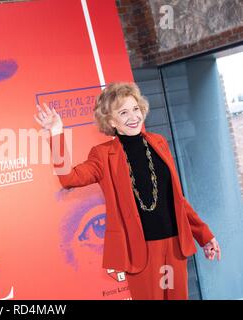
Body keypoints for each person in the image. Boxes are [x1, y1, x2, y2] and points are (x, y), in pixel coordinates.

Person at [34, 82, 221, 300]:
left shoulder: (158, 143)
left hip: (174, 245)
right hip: (140, 251)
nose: (133, 117)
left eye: (135, 109)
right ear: (111, 121)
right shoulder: (103, 155)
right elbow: (69, 178)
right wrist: (56, 134)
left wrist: (204, 235)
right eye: (123, 112)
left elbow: (176, 199)